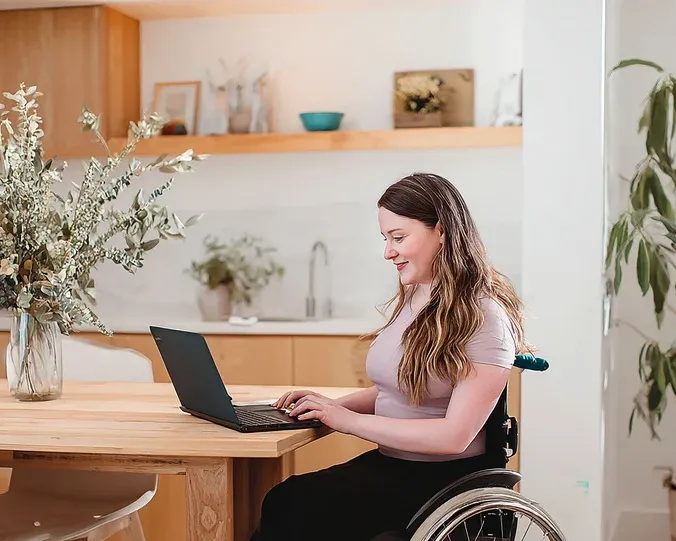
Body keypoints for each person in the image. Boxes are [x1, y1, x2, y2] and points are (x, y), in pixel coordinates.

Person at [250, 172, 531, 541]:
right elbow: (397, 389)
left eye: (398, 238)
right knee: (285, 499)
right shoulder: (417, 294)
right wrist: (324, 406)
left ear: (442, 231)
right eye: (386, 239)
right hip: (395, 467)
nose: (388, 252)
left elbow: (454, 436)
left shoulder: (484, 316)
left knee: (293, 506)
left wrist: (345, 419)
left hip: (444, 483)